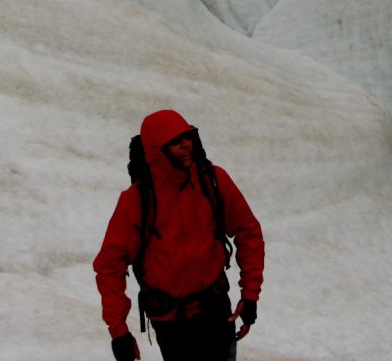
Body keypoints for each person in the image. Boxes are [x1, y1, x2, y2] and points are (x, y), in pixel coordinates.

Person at [95, 109, 265, 361]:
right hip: (171, 323)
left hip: (216, 310)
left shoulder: (213, 180)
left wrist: (250, 294)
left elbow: (248, 232)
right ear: (155, 151)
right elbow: (109, 267)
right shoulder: (136, 201)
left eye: (188, 136)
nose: (186, 145)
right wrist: (119, 332)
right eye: (175, 141)